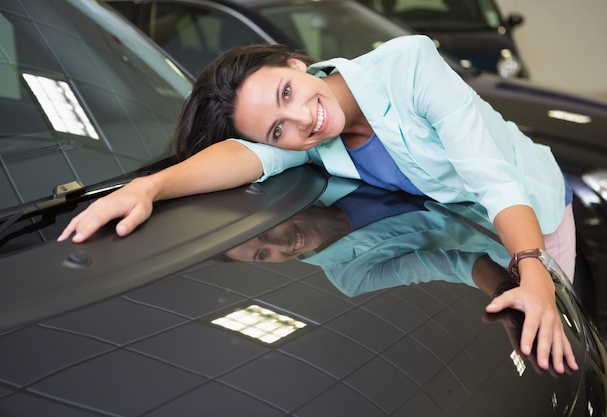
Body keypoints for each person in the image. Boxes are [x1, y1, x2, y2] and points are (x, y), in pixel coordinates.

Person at [58, 35, 577, 373]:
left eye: (287, 92)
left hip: (534, 213)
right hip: (472, 237)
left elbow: (493, 178)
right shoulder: (300, 145)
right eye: (278, 129)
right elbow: (242, 155)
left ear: (296, 64)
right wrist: (146, 188)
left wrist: (530, 269)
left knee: (556, 349)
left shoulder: (407, 65)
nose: (302, 121)